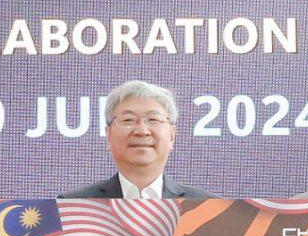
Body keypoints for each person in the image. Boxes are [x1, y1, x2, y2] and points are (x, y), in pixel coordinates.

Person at [60, 80, 212, 199]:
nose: (142, 131)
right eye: (128, 120)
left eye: (153, 119)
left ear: (172, 135)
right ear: (109, 135)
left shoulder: (207, 207)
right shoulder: (72, 206)